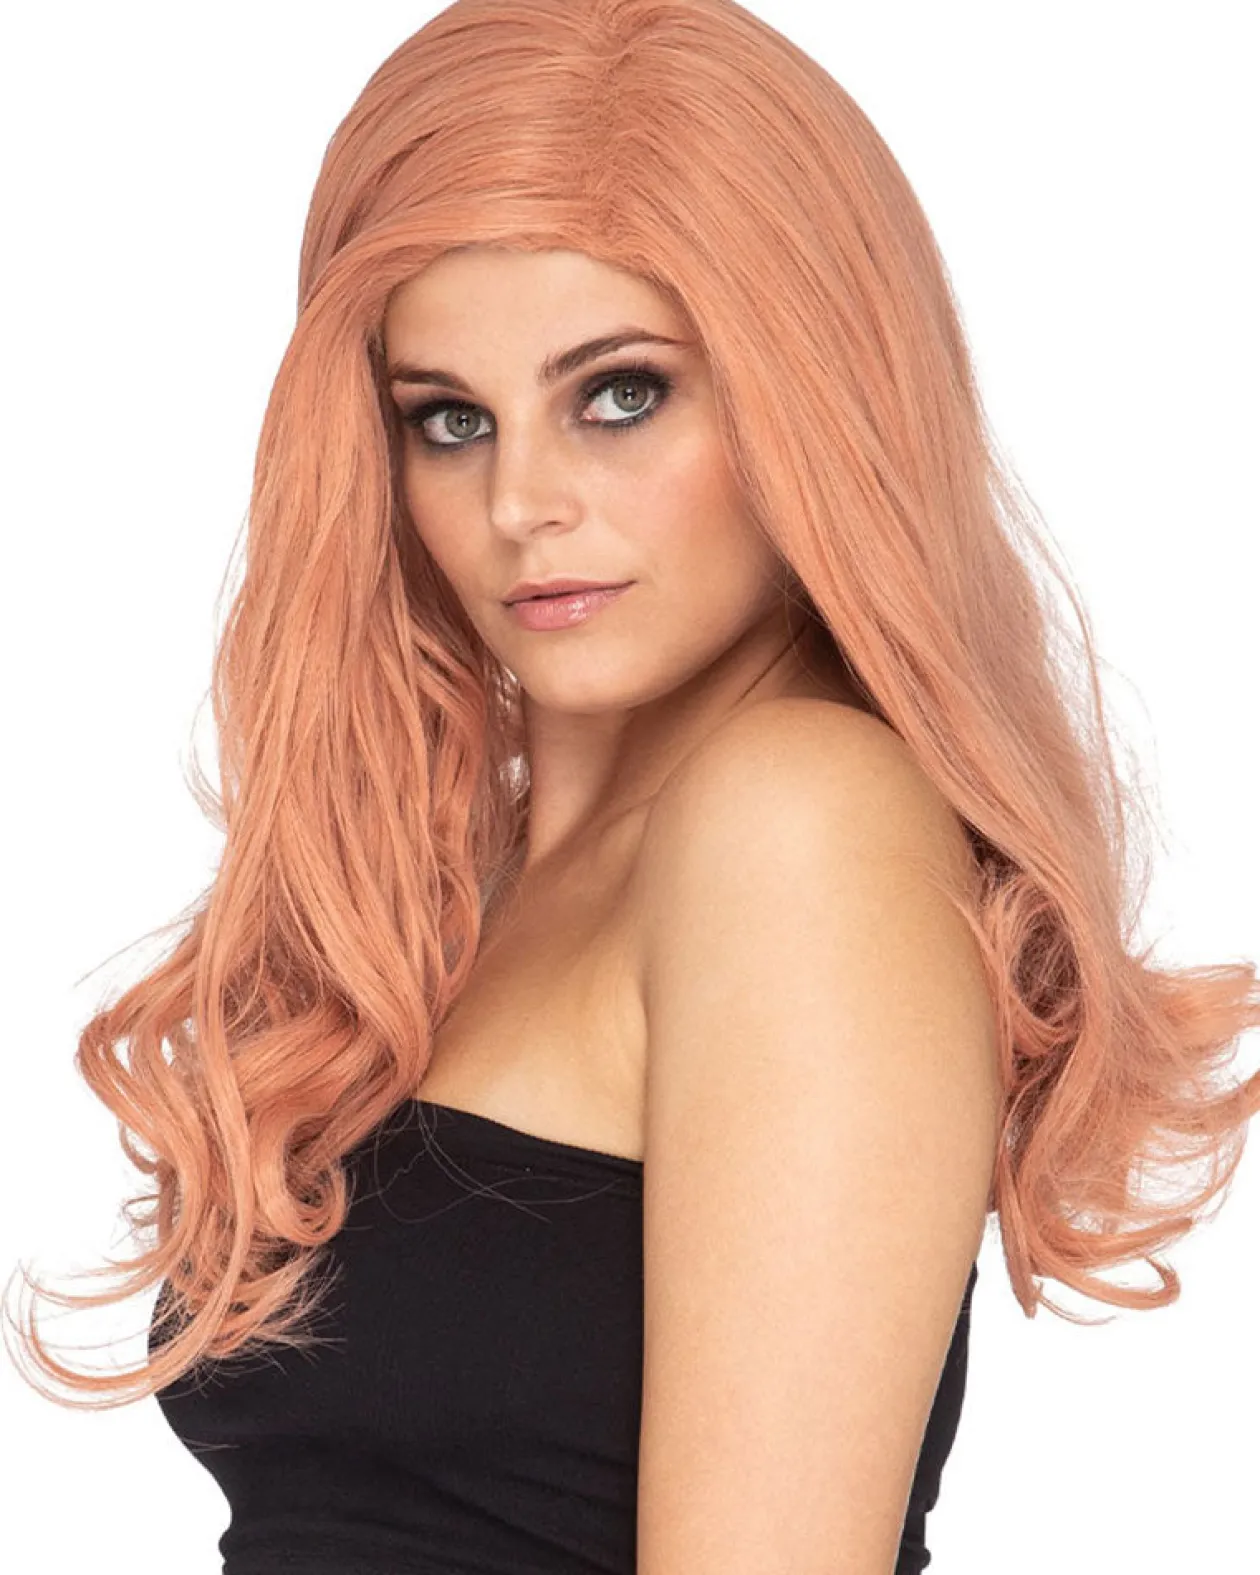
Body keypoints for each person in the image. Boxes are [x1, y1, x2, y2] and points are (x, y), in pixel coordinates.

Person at [7, 2, 1259, 1572]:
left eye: (618, 394)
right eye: (450, 419)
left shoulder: (801, 818)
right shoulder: (458, 889)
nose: (522, 501)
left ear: (812, 389)